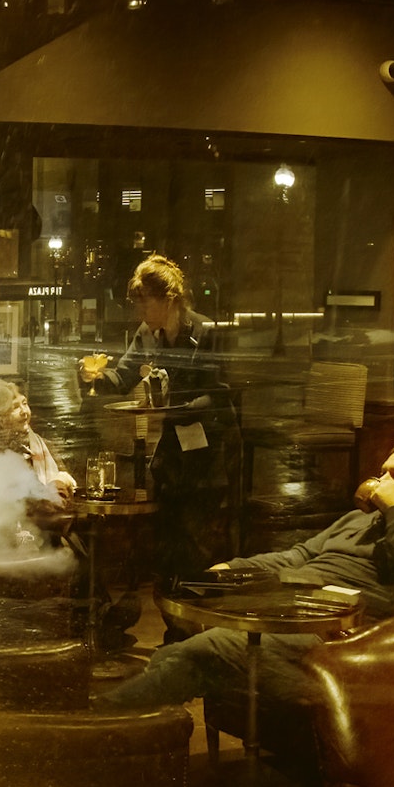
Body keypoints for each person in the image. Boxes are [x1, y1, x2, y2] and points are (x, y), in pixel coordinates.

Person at [100, 442, 394, 712]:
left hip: (342, 634)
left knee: (204, 650)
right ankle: (142, 737)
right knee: (183, 633)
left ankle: (106, 720)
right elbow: (301, 554)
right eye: (383, 472)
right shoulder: (362, 519)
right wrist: (237, 567)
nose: (383, 482)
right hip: (291, 605)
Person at [105, 254, 240, 596]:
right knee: (168, 542)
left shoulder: (206, 332)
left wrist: (176, 407)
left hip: (208, 452)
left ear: (169, 300)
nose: (140, 313)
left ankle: (198, 624)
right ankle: (174, 626)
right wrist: (93, 376)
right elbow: (122, 376)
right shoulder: (148, 333)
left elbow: (220, 395)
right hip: (174, 454)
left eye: (145, 304)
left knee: (199, 545)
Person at [0, 376, 76, 501]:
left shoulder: (43, 444)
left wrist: (60, 482)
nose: (24, 411)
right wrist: (56, 486)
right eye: (15, 407)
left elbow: (65, 477)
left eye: (25, 403)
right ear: (0, 416)